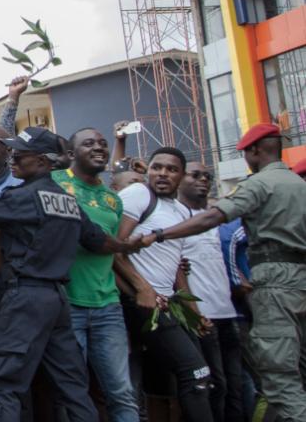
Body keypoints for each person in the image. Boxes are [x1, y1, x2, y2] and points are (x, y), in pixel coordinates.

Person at [0, 126, 147, 422]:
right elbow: (99, 241)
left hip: (25, 299)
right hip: (58, 302)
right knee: (72, 386)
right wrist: (126, 245)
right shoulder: (68, 201)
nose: (13, 158)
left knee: (0, 380)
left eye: (21, 154)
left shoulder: (22, 197)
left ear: (43, 161)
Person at [148, 124, 306, 422]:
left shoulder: (260, 184)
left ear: (254, 151)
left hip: (275, 281)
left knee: (280, 374)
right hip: (301, 278)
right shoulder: (299, 184)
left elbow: (214, 216)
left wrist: (157, 235)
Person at [117, 148, 214, 422]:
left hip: (169, 303)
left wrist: (194, 314)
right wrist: (143, 289)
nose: (162, 173)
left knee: (163, 387)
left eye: (171, 169)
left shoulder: (181, 210)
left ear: (181, 176)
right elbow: (114, 249)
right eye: (157, 167)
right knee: (196, 374)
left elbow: (176, 269)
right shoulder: (138, 195)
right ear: (147, 170)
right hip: (142, 303)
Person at [52, 128, 139, 422]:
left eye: (103, 144)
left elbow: (114, 253)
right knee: (71, 393)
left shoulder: (113, 200)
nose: (99, 148)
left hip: (107, 306)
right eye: (89, 143)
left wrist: (141, 288)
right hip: (67, 304)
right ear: (71, 154)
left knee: (121, 392)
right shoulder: (55, 183)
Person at [180, 161, 247, 422]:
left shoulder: (216, 218)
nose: (203, 180)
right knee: (214, 386)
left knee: (235, 386)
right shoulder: (175, 219)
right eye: (195, 175)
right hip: (202, 316)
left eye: (207, 176)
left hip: (227, 312)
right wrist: (193, 313)